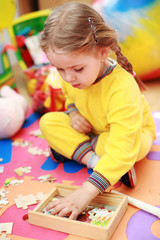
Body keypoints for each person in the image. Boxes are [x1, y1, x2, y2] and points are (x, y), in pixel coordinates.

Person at [39, 2, 156, 220]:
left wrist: (87, 190)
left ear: (102, 52)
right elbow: (70, 98)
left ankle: (83, 153)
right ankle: (97, 161)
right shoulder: (71, 75)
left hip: (129, 135)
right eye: (60, 69)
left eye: (77, 69)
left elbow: (123, 145)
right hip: (93, 131)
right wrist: (73, 114)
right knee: (48, 122)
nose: (68, 77)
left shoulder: (121, 88)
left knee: (126, 147)